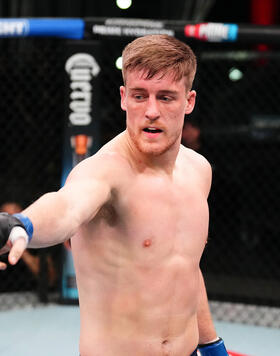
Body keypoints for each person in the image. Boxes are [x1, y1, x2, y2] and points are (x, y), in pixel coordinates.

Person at [0, 35, 228, 356]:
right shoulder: (105, 173)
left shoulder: (199, 170)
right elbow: (67, 207)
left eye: (166, 97)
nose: (151, 111)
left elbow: (184, 267)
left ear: (189, 101)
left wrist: (210, 343)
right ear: (123, 97)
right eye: (139, 96)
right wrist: (23, 223)